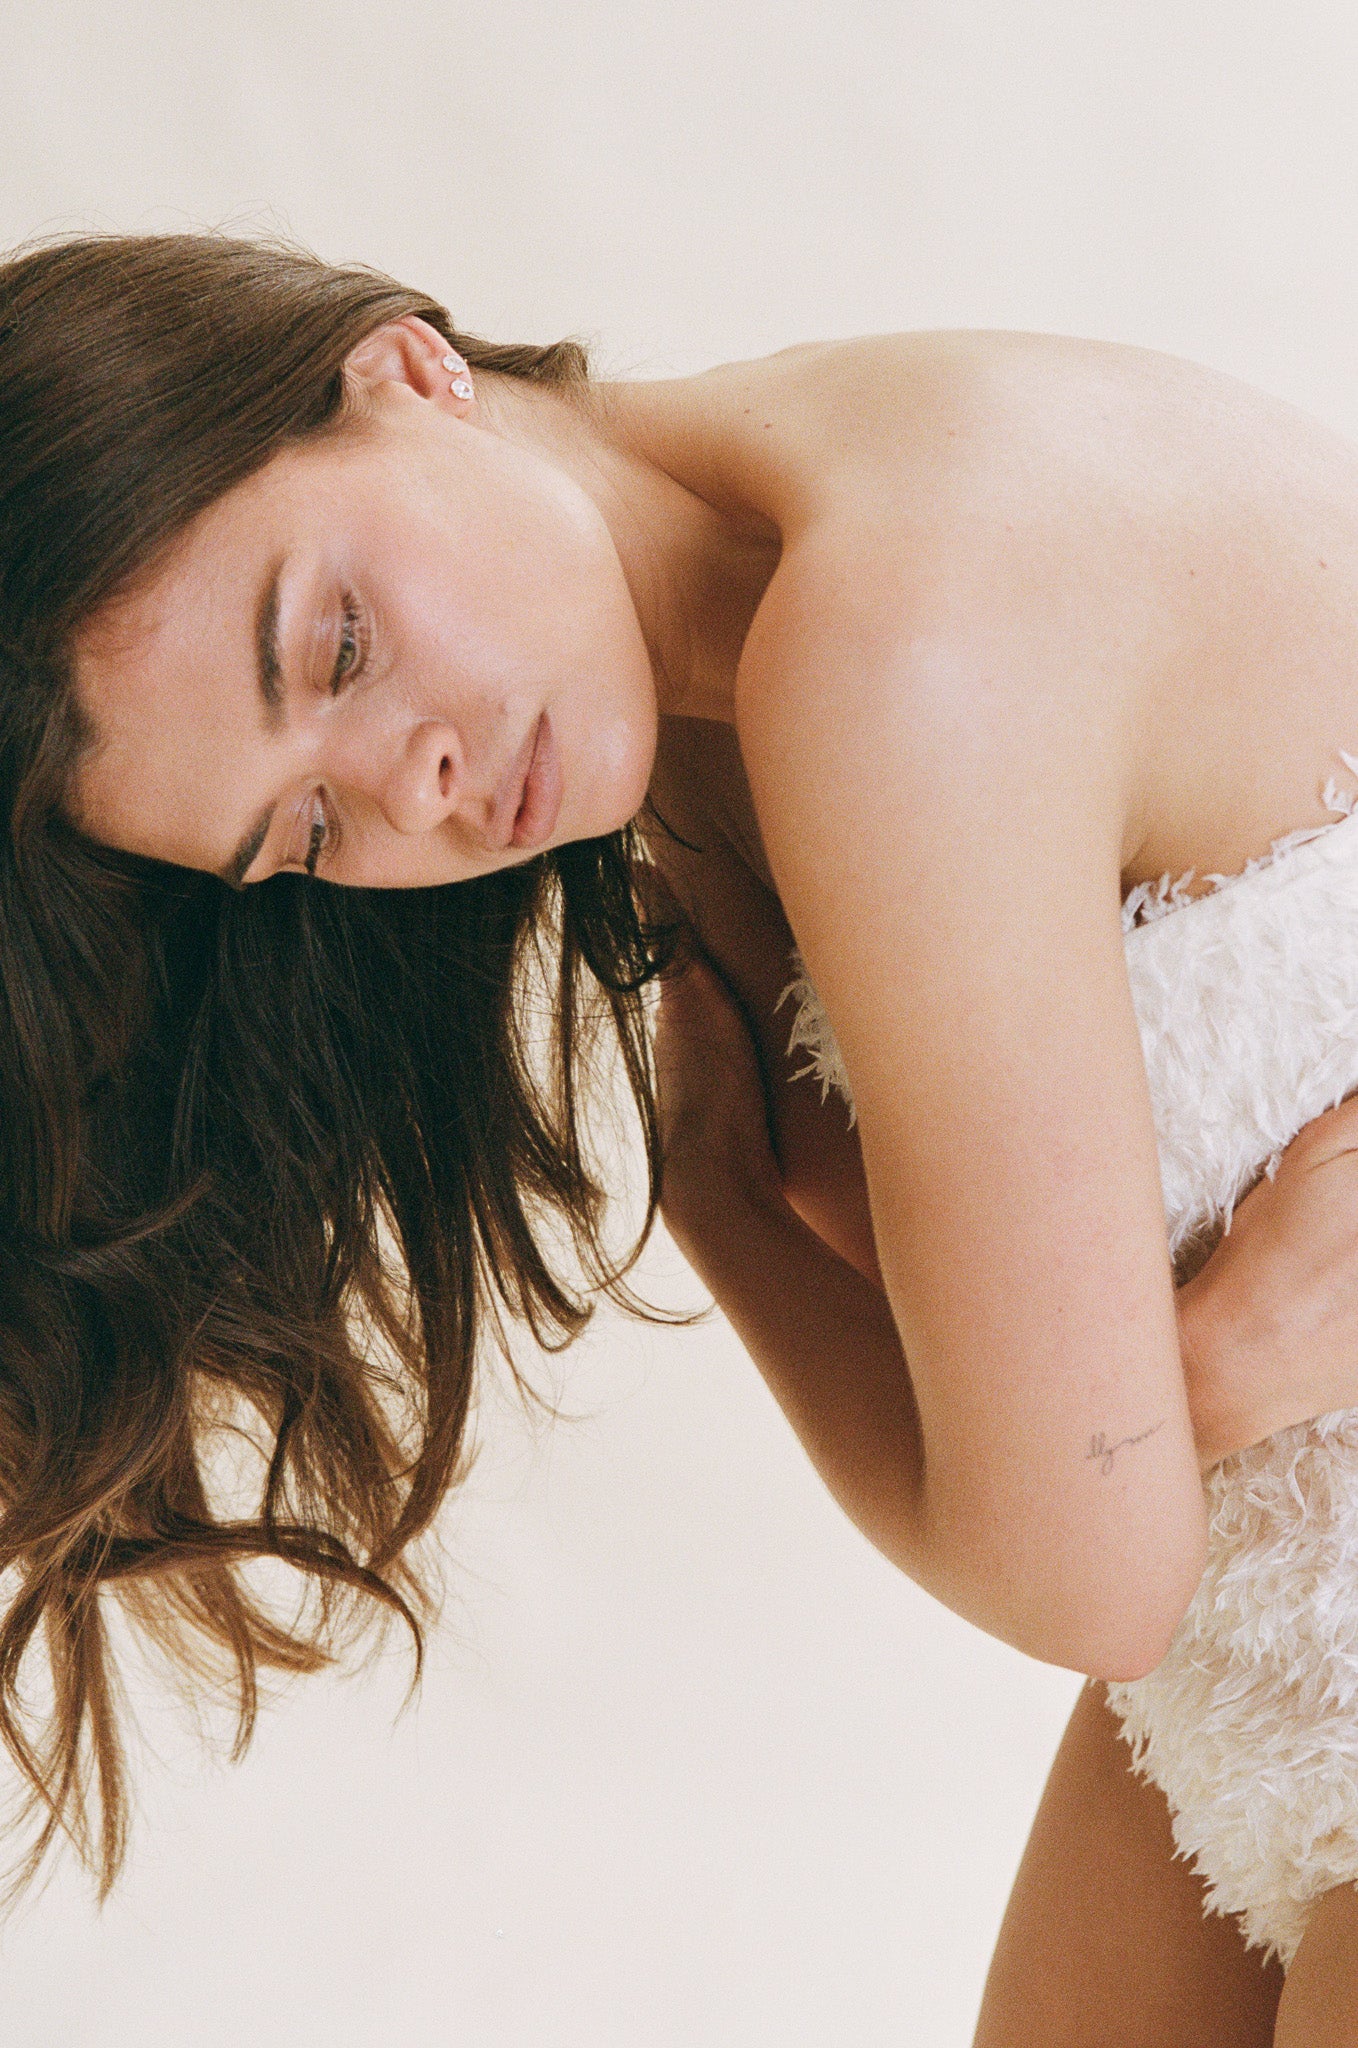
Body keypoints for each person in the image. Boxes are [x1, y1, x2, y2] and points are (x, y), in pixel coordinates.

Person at [2, 229, 1357, 2041]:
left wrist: (739, 1211)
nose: (412, 783)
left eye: (334, 644)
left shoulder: (889, 645)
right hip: (1277, 1637)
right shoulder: (715, 716)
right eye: (305, 832)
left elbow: (1085, 1568)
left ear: (403, 370)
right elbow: (1031, 1441)